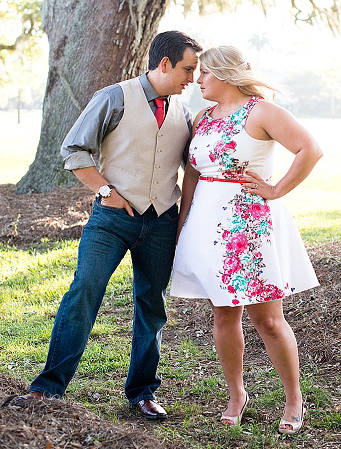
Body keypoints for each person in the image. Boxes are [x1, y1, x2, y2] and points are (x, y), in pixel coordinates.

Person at [10, 31, 202, 420]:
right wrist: (104, 190)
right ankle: (48, 388)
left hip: (162, 220)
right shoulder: (113, 97)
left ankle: (143, 392)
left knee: (153, 305)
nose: (192, 79)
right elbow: (73, 149)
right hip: (112, 218)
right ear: (164, 64)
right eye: (187, 69)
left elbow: (193, 166)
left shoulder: (183, 111)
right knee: (84, 291)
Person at [171, 45, 321, 434]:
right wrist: (183, 223)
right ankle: (237, 394)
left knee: (268, 320)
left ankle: (294, 400)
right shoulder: (203, 117)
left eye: (203, 73)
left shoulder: (262, 112)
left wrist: (276, 189)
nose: (198, 80)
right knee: (223, 313)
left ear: (223, 75)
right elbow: (191, 174)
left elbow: (310, 149)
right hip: (207, 224)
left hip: (249, 228)